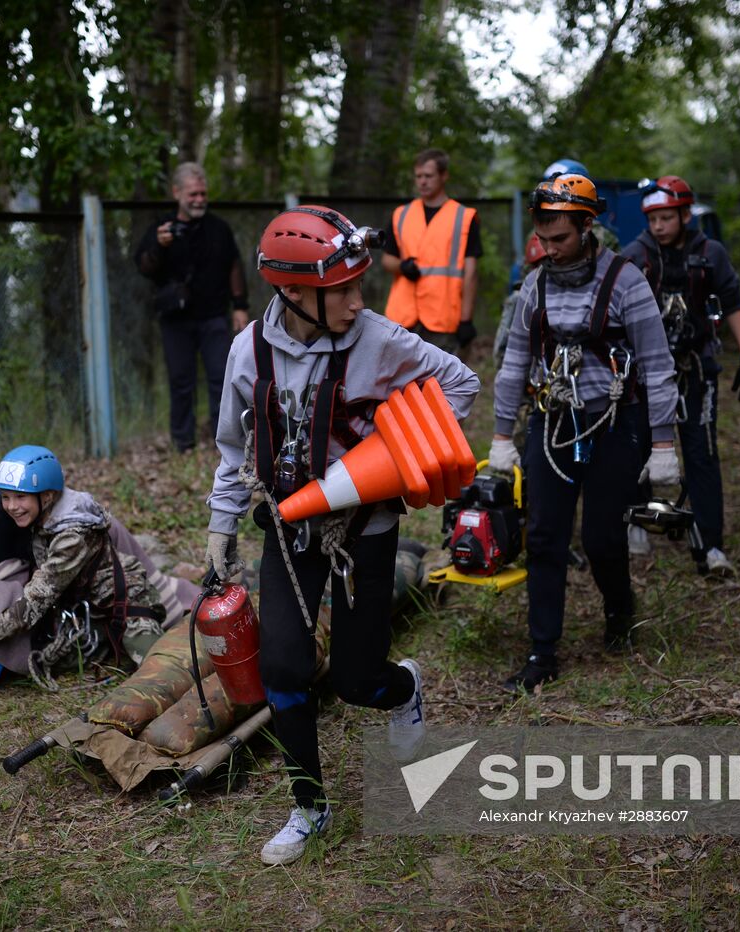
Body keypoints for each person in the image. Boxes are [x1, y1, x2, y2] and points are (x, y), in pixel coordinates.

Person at [207, 205, 479, 865]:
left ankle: (403, 688)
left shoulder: (380, 339)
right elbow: (231, 447)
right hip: (286, 526)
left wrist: (400, 455)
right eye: (345, 290)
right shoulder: (249, 351)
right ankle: (308, 805)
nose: (361, 301)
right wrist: (221, 529)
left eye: (362, 285)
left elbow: (460, 385)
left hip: (367, 527)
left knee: (357, 680)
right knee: (283, 668)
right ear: (295, 294)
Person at [490, 174, 679, 690]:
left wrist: (663, 443)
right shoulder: (536, 284)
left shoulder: (625, 280)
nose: (549, 250)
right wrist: (502, 436)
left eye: (561, 239)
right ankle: (542, 652)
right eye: (543, 239)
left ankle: (619, 610)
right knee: (546, 536)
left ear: (587, 226)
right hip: (553, 424)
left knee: (600, 538)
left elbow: (658, 365)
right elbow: (513, 365)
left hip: (615, 424)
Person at [0, 446, 166, 689]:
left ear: (48, 495)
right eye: (6, 497)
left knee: (160, 673)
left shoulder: (72, 536)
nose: (12, 507)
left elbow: (36, 599)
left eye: (20, 497)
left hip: (124, 604)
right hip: (81, 607)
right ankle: (101, 643)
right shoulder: (39, 514)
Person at [620, 174, 740, 577]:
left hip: (696, 368)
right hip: (644, 372)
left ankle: (711, 544)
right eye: (652, 219)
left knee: (702, 451)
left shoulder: (710, 254)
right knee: (637, 445)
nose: (658, 226)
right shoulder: (636, 255)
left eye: (666, 217)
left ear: (684, 214)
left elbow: (732, 303)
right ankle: (637, 524)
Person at [133, 162, 251, 452]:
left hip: (214, 316)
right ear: (177, 193)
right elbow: (144, 266)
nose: (199, 199)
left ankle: (223, 441)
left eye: (203, 193)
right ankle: (183, 442)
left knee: (221, 380)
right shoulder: (162, 228)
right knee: (181, 381)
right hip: (176, 318)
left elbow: (234, 265)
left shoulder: (218, 228)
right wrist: (160, 246)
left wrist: (239, 306)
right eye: (193, 194)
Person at [382, 149, 482, 354]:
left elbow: (471, 274)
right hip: (402, 319)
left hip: (442, 319)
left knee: (439, 385)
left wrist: (466, 320)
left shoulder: (463, 217)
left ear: (444, 176)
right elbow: (386, 260)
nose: (422, 182)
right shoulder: (401, 214)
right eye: (418, 176)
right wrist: (402, 266)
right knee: (400, 384)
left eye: (428, 176)